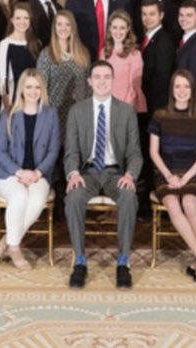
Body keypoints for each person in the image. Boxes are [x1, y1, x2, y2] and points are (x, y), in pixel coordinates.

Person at [64, 60, 143, 289]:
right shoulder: (77, 111)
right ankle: (80, 261)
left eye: (106, 77)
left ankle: (123, 262)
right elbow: (71, 152)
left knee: (129, 197)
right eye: (97, 77)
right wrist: (73, 173)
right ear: (89, 81)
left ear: (113, 80)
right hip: (87, 172)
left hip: (115, 173)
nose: (101, 81)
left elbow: (135, 153)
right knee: (73, 197)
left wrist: (129, 175)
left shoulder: (126, 111)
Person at [0, 69, 60, 269]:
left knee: (37, 200)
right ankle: (14, 249)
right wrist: (19, 172)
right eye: (28, 87)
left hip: (39, 174)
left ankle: (4, 243)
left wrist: (37, 173)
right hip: (9, 173)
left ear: (42, 89)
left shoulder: (50, 115)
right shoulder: (9, 114)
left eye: (37, 87)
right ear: (21, 88)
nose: (33, 91)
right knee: (20, 195)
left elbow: (54, 150)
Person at [150, 71, 196, 281]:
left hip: (194, 173)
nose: (182, 91)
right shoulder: (160, 116)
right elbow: (154, 152)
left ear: (193, 90)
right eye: (177, 86)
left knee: (189, 203)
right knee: (172, 204)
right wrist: (169, 176)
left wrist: (185, 178)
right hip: (166, 173)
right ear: (171, 90)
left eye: (186, 86)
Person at [102, 10, 146, 113]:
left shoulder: (135, 55)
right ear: (109, 28)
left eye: (122, 28)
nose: (118, 32)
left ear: (128, 29)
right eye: (115, 27)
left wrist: (123, 110)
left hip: (126, 107)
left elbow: (133, 88)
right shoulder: (103, 53)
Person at [0, 2, 40, 110]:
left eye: (26, 18)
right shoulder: (5, 44)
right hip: (14, 102)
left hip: (33, 99)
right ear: (12, 20)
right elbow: (3, 79)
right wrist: (8, 108)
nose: (22, 22)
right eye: (18, 18)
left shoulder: (36, 43)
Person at [140, 0, 176, 113]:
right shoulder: (146, 37)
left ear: (161, 15)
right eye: (144, 14)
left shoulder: (164, 41)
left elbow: (162, 80)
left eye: (152, 14)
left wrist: (157, 112)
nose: (147, 18)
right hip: (145, 102)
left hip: (154, 106)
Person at [175, 1, 196, 101]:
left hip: (188, 102)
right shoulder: (184, 39)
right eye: (181, 15)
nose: (184, 19)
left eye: (189, 15)